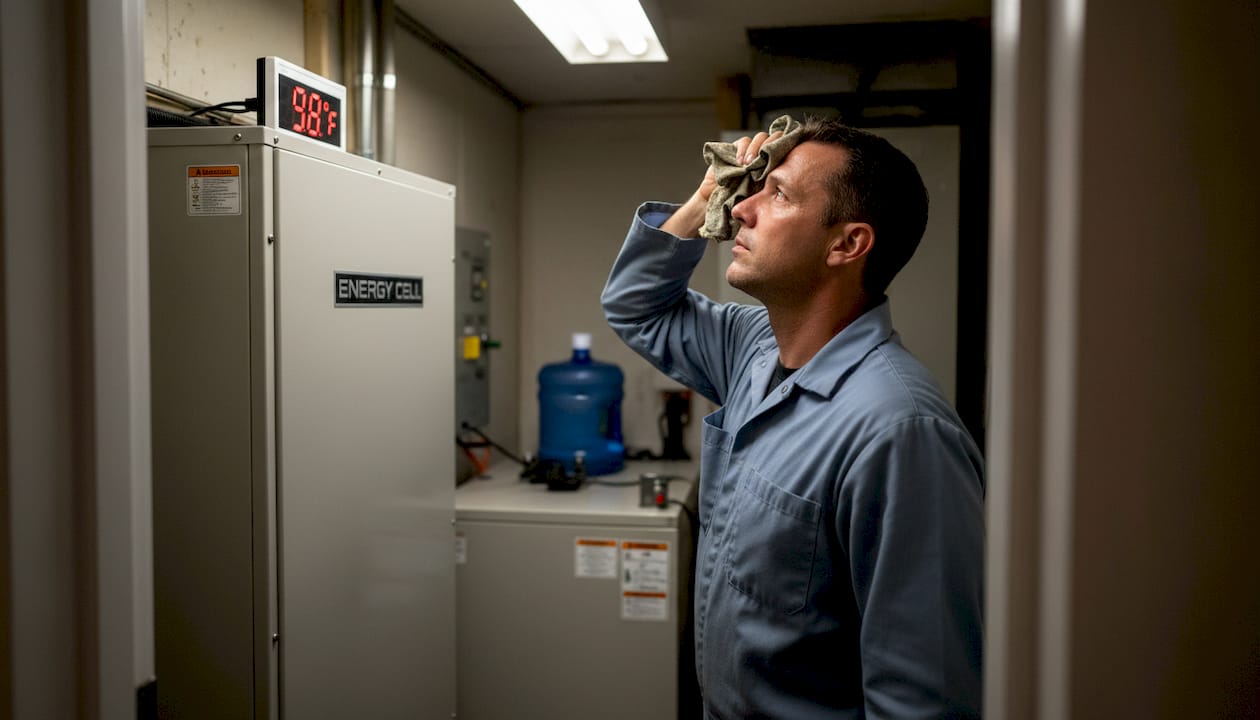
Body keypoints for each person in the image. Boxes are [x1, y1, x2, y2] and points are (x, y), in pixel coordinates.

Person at [601, 117, 984, 719]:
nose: (743, 210)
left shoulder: (900, 431)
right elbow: (635, 306)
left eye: (777, 193)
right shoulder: (752, 346)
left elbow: (921, 697)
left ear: (847, 244)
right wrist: (709, 193)